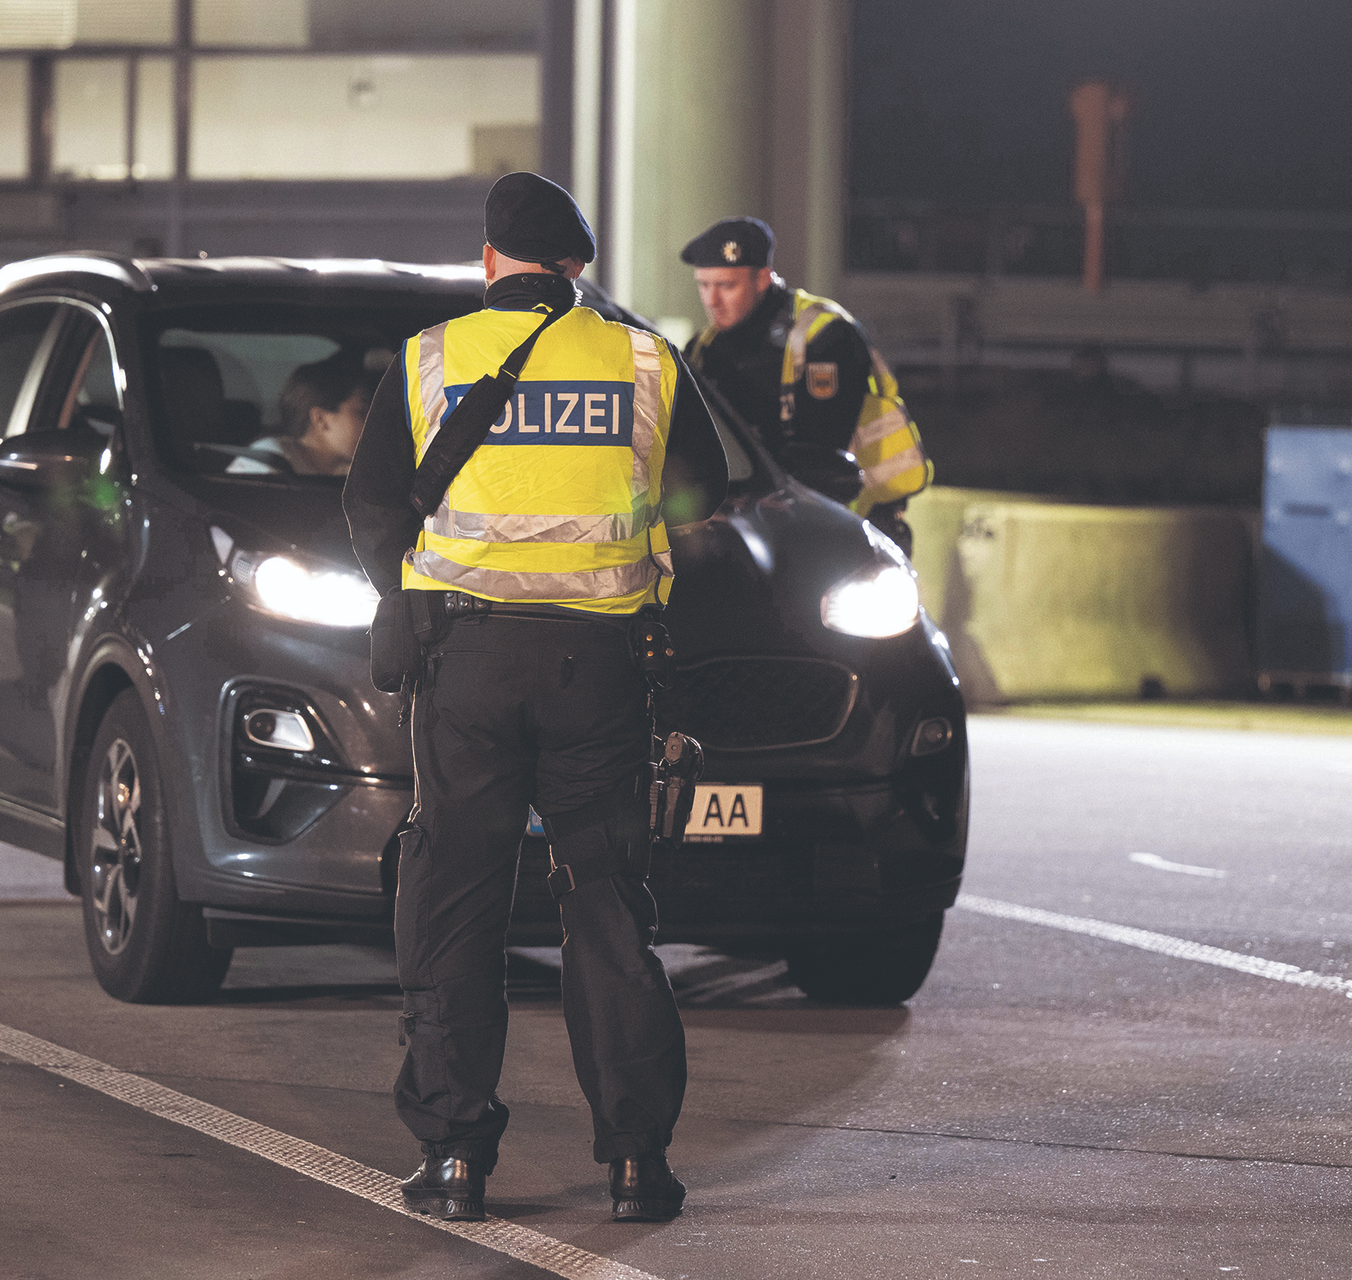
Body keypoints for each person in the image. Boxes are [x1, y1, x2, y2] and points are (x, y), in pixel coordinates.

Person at [344, 172, 730, 1224]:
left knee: (456, 899)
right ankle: (638, 1162)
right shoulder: (644, 358)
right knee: (604, 902)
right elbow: (703, 495)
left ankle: (457, 1157)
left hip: (464, 664)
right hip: (601, 667)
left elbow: (372, 507)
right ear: (575, 268)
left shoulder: (431, 360)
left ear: (488, 264)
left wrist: (419, 594)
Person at [681, 216, 929, 552]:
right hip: (752, 526)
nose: (712, 300)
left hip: (851, 523)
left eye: (726, 285)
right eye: (703, 285)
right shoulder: (702, 349)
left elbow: (824, 453)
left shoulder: (825, 336)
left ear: (763, 279)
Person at [225, 354, 371, 475]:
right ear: (321, 419)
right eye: (362, 413)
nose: (373, 424)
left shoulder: (351, 473)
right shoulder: (266, 462)